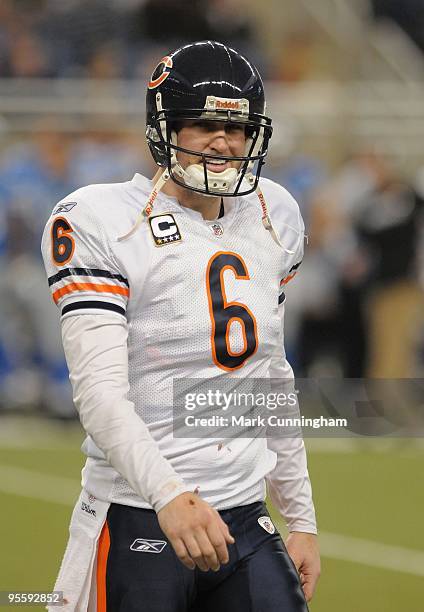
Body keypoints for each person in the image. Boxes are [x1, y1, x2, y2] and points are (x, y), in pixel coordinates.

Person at [41, 41, 320, 611]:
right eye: (203, 124)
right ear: (164, 126)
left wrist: (302, 516)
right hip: (140, 512)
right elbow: (99, 393)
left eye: (237, 127)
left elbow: (271, 374)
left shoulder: (273, 214)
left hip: (244, 517)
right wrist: (170, 496)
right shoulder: (102, 220)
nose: (224, 140)